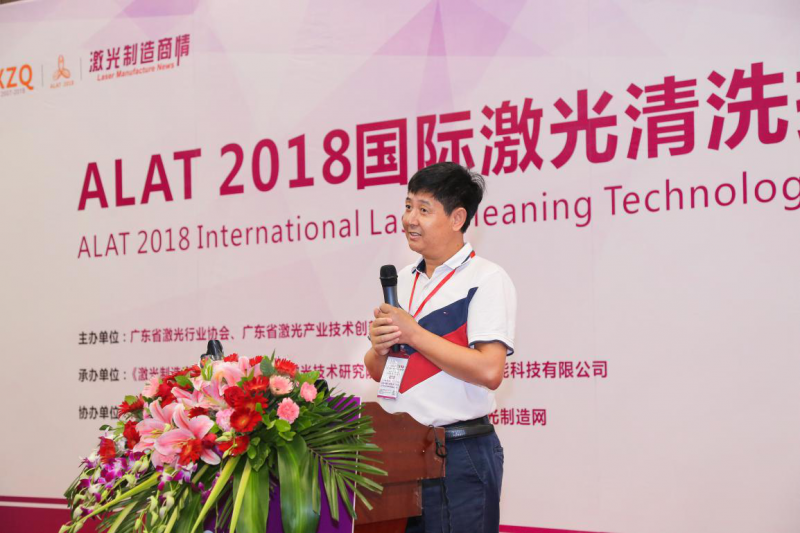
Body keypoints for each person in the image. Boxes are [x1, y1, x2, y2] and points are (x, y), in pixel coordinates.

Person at [364, 162, 517, 533]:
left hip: (458, 455)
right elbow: (383, 372)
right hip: (398, 454)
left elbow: (489, 371)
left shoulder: (486, 279)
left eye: (424, 209)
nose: (409, 219)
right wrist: (379, 349)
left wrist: (413, 333)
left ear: (457, 218)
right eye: (408, 206)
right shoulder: (401, 280)